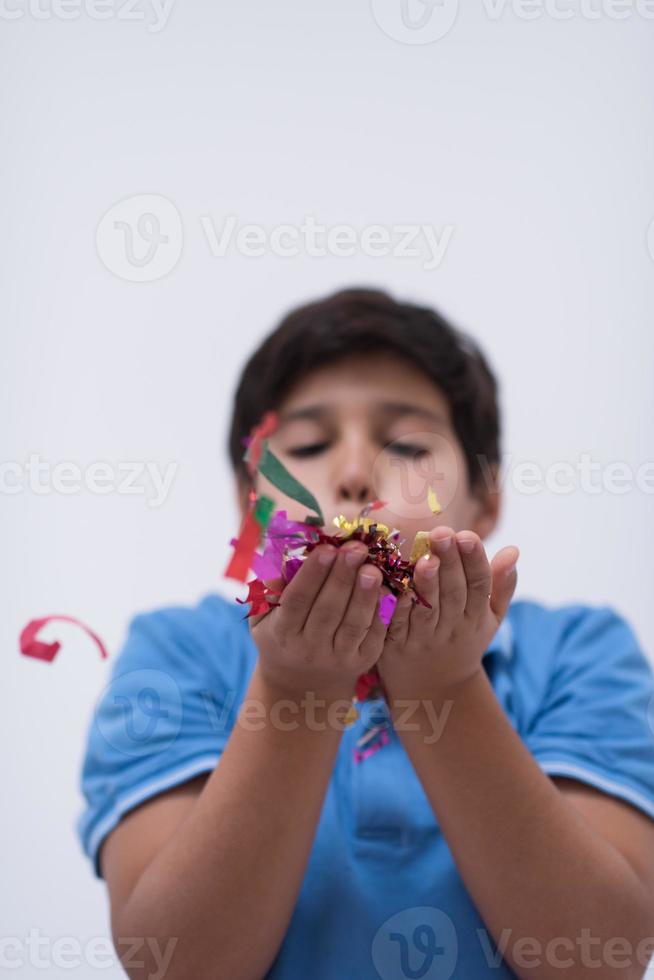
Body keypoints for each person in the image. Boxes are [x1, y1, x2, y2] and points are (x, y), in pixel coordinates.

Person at [76, 288, 654, 980]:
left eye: (407, 445)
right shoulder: (177, 653)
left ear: (487, 495)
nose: (353, 475)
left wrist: (444, 685)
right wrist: (297, 689)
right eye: (309, 445)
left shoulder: (580, 654)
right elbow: (174, 964)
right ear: (248, 500)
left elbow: (605, 958)